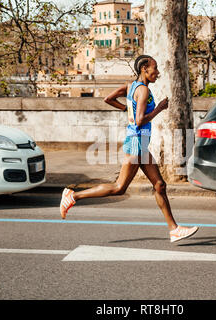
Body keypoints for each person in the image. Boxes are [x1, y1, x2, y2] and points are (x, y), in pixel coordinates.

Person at [59, 55, 199, 243]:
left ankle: (174, 229)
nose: (157, 72)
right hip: (136, 142)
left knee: (160, 185)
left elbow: (108, 99)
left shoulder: (131, 86)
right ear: (144, 69)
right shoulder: (142, 91)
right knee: (119, 188)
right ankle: (73, 195)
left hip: (139, 142)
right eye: (154, 68)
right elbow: (140, 120)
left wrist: (127, 110)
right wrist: (159, 108)